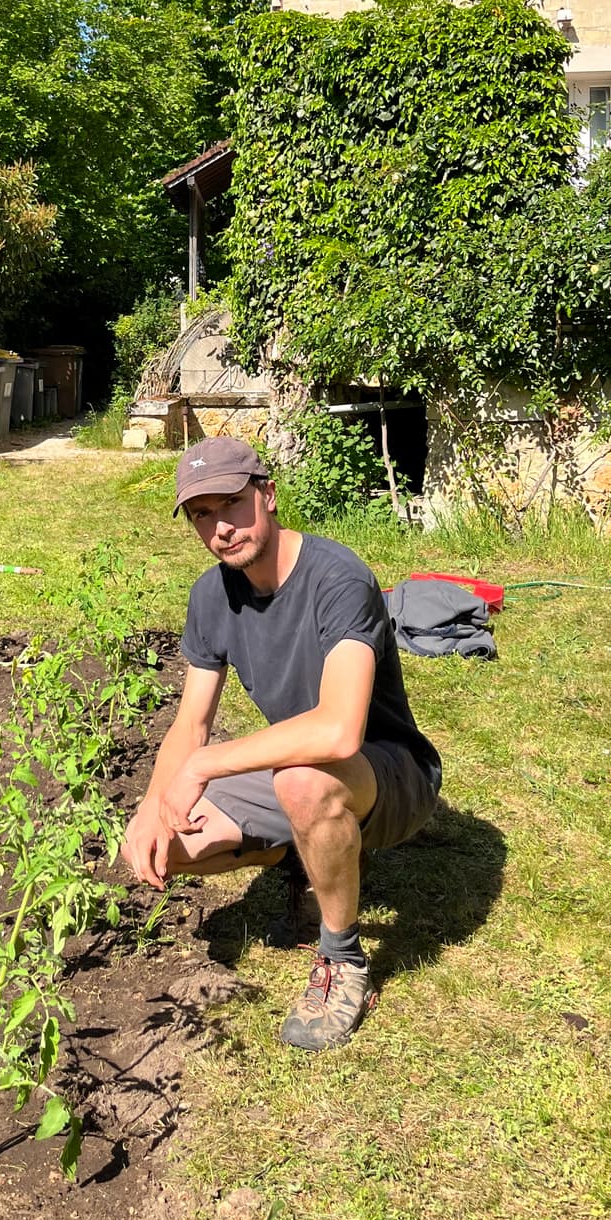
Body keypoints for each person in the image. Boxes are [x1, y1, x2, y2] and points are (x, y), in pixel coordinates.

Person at [121, 436, 442, 1051]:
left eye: (232, 504)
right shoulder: (211, 595)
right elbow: (191, 724)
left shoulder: (338, 578)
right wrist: (152, 805)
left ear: (267, 495)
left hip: (389, 771)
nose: (220, 528)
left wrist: (207, 765)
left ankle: (342, 961)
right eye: (201, 515)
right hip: (302, 766)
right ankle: (306, 850)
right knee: (168, 847)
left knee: (302, 781)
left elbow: (338, 731)